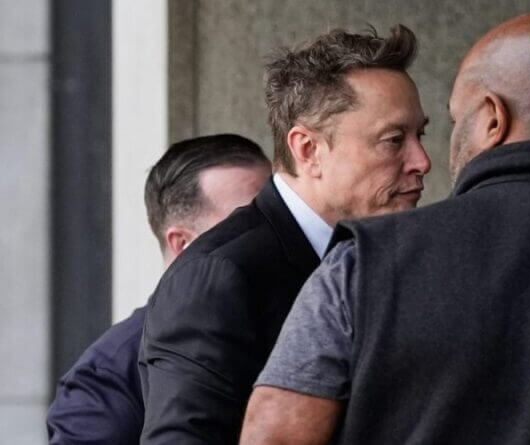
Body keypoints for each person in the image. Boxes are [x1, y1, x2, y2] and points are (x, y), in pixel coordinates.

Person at [242, 12, 530, 445]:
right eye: (395, 140)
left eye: (453, 119)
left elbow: (274, 438)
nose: (426, 160)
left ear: (492, 118)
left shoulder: (366, 265)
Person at [139, 25, 431, 443]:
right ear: (308, 150)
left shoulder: (401, 258)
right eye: (393, 140)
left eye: (420, 135)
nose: (422, 161)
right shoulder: (218, 275)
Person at [46, 134, 271, 444]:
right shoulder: (108, 380)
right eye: (244, 223)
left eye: (276, 215)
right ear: (183, 244)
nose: (272, 234)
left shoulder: (305, 318)